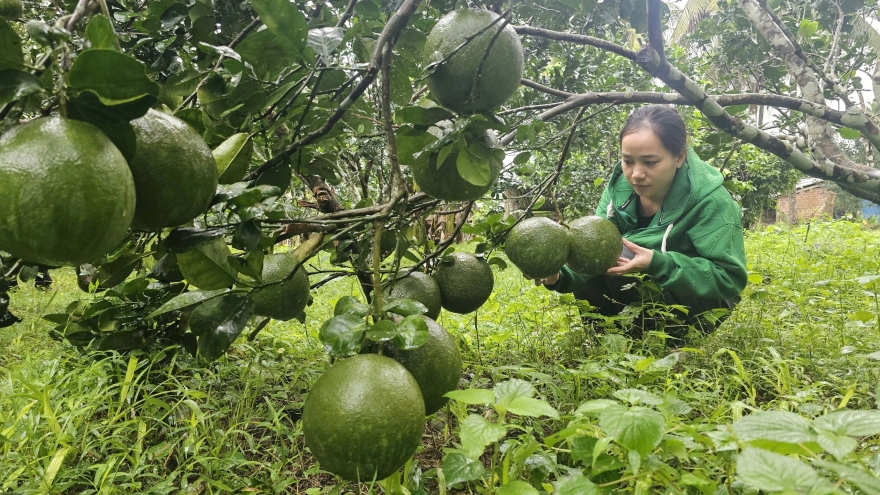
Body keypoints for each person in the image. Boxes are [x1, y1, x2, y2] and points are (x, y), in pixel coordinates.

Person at [539, 105, 747, 341]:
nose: (636, 174)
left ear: (679, 156)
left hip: (704, 299)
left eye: (649, 162)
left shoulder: (711, 201)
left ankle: (674, 342)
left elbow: (728, 279)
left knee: (624, 253)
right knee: (590, 250)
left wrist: (657, 263)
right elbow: (591, 247)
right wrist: (558, 275)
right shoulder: (619, 188)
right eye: (628, 161)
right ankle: (610, 343)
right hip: (648, 284)